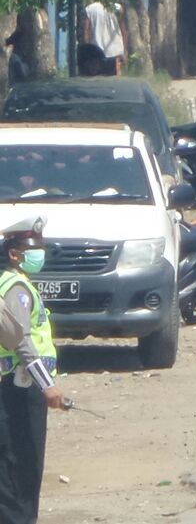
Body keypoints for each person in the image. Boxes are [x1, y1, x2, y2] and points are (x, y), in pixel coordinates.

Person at [0, 217, 68, 524]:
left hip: (11, 385)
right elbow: (23, 342)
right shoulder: (17, 288)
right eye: (33, 248)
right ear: (15, 253)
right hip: (19, 388)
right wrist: (47, 385)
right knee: (22, 467)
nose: (38, 253)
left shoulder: (7, 281)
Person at [82, 0, 128, 75]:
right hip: (116, 50)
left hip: (97, 50)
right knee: (116, 79)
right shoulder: (117, 8)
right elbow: (123, 30)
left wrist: (88, 50)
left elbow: (87, 31)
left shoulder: (90, 9)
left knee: (98, 79)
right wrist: (125, 51)